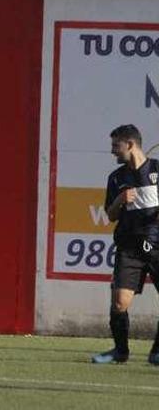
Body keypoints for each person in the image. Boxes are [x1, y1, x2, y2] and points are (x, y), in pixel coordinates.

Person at [91, 124, 159, 365]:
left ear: (130, 144)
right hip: (129, 247)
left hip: (157, 245)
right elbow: (110, 215)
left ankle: (157, 353)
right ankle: (120, 351)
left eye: (115, 146)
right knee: (120, 302)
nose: (112, 151)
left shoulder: (156, 169)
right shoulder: (116, 178)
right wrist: (121, 199)